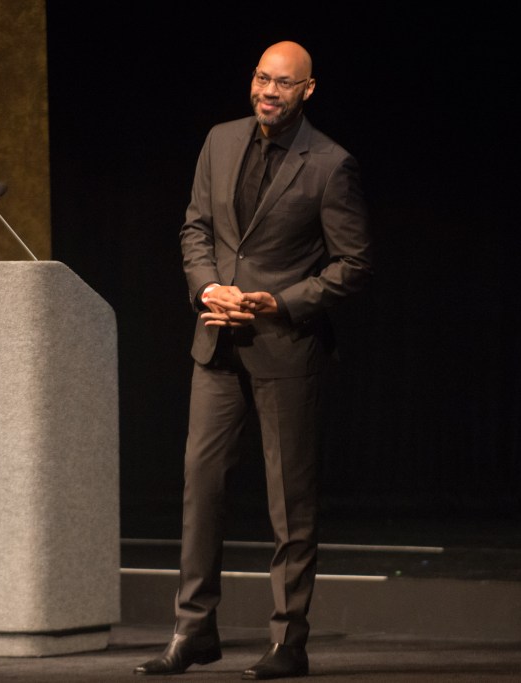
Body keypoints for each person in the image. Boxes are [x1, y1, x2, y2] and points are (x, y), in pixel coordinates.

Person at [134, 42, 372, 679]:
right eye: (262, 79)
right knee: (200, 487)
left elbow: (353, 265)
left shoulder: (329, 164)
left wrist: (279, 303)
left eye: (284, 83)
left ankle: (288, 640)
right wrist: (208, 287)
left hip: (285, 349)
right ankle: (194, 632)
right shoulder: (219, 140)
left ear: (308, 90)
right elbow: (195, 229)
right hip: (215, 341)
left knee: (289, 503)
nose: (269, 91)